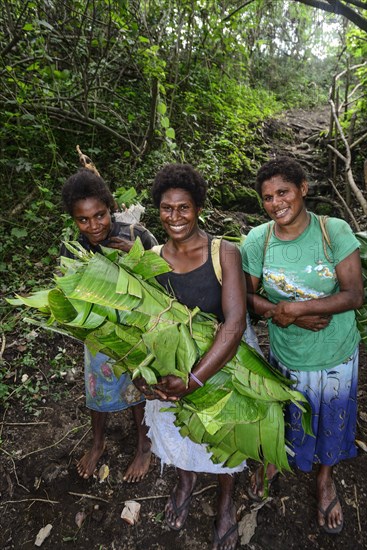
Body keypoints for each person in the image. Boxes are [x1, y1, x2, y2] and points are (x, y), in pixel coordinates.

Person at [240, 157, 364, 534]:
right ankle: (277, 458)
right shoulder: (257, 240)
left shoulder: (334, 231)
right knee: (287, 410)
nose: (276, 203)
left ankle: (325, 478)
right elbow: (246, 297)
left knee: (330, 416)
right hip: (287, 354)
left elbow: (355, 294)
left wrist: (300, 308)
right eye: (267, 197)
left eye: (283, 192)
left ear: (303, 189)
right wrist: (289, 315)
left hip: (335, 354)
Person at [135, 163, 247, 550]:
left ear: (198, 207)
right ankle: (185, 481)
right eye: (167, 208)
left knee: (225, 436)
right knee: (178, 434)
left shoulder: (224, 252)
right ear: (158, 210)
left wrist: (195, 378)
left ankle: (226, 499)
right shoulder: (149, 258)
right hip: (171, 372)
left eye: (184, 208)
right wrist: (142, 375)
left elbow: (234, 323)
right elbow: (140, 326)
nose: (175, 217)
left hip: (220, 365)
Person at [60, 168, 158, 482]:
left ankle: (144, 444)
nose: (93, 225)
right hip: (97, 332)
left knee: (137, 387)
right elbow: (67, 293)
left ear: (110, 207)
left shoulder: (135, 235)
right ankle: (98, 441)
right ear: (74, 220)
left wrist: (137, 258)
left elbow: (163, 276)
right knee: (97, 388)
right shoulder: (73, 249)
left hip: (136, 331)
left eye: (100, 215)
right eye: (83, 219)